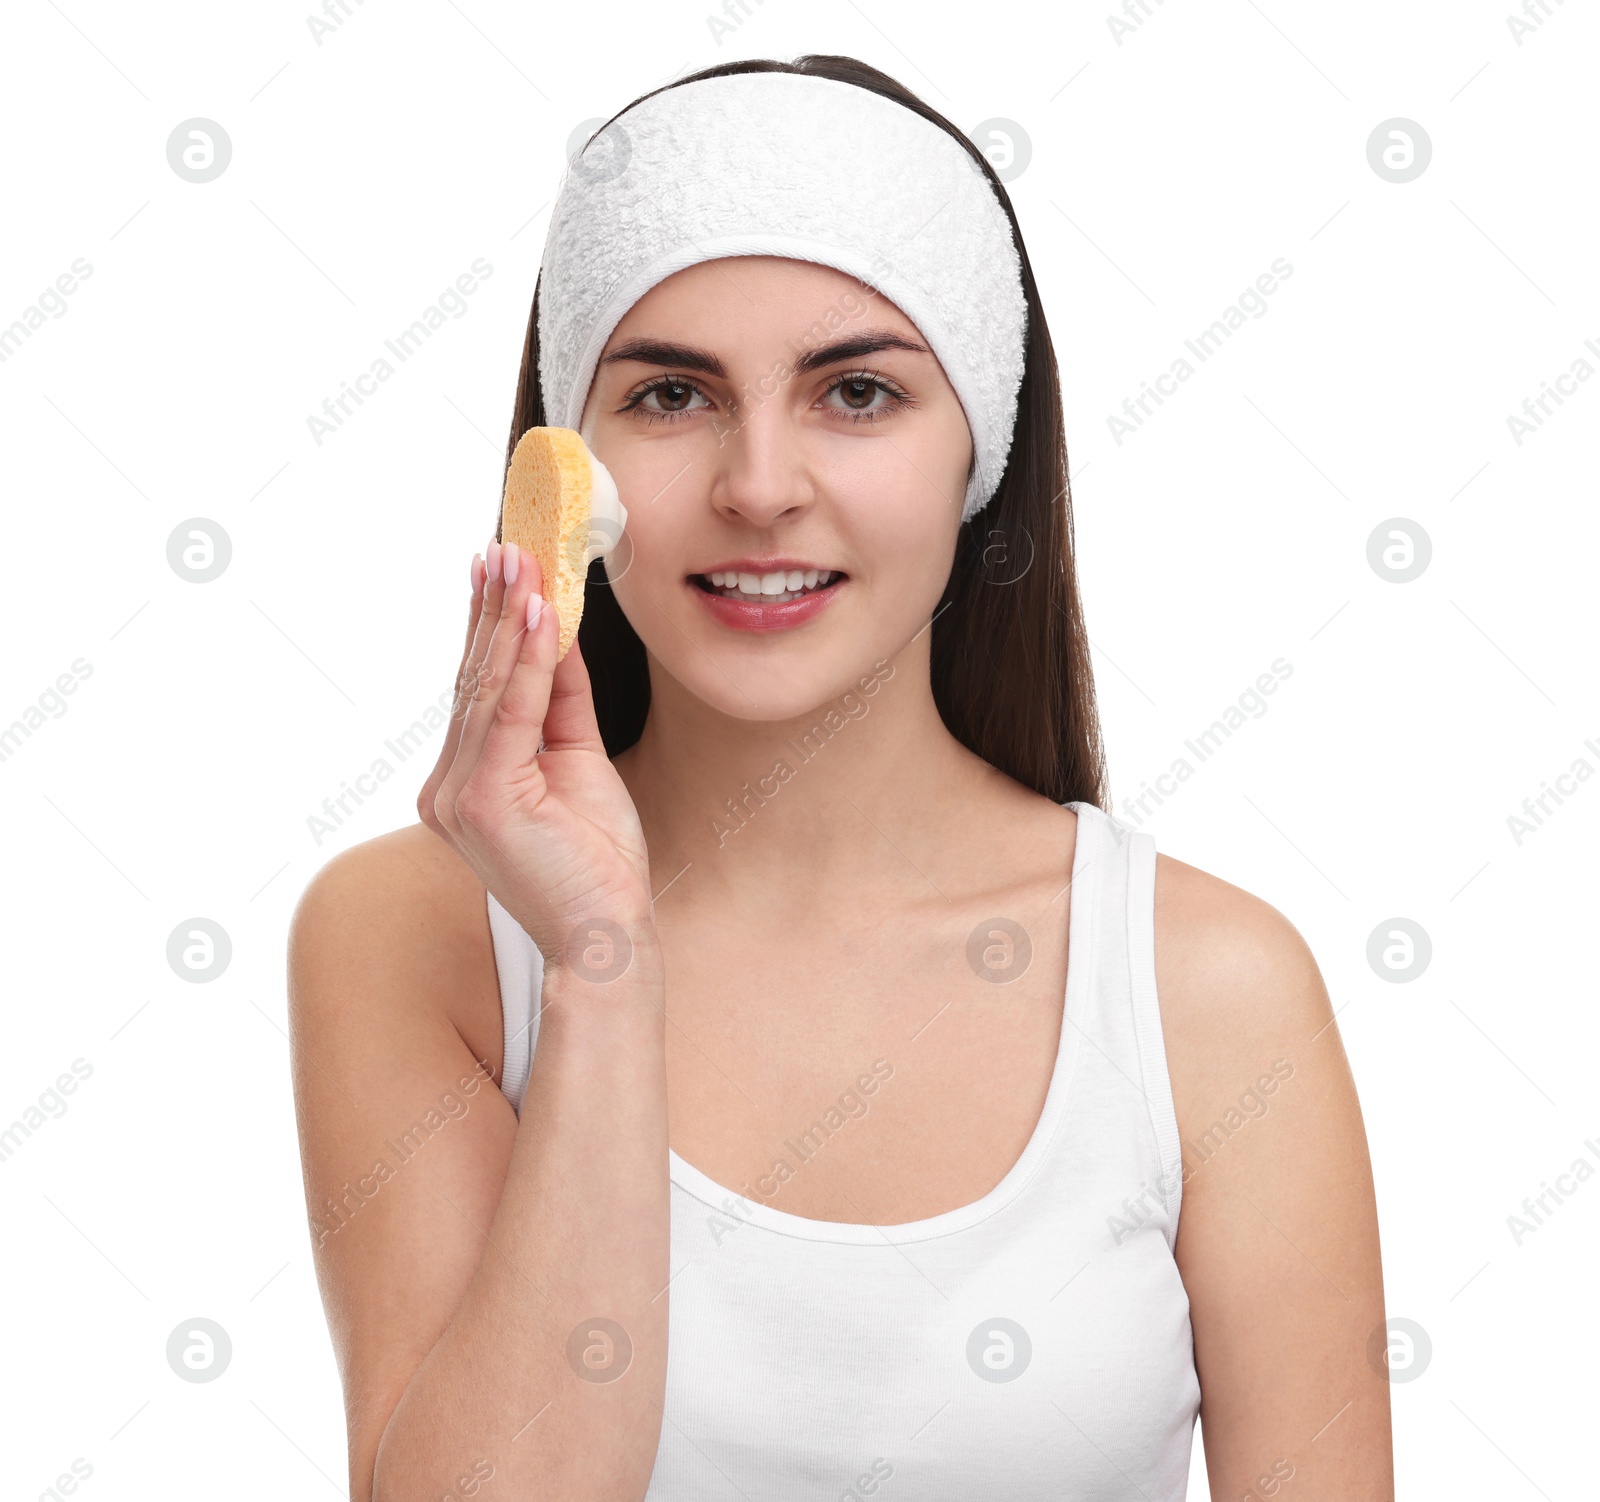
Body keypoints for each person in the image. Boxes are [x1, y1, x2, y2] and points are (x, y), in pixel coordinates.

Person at [287, 54, 1393, 1502]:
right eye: (672, 393)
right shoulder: (413, 934)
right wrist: (605, 971)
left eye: (857, 391)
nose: (759, 483)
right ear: (574, 462)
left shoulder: (1209, 987)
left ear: (976, 454)